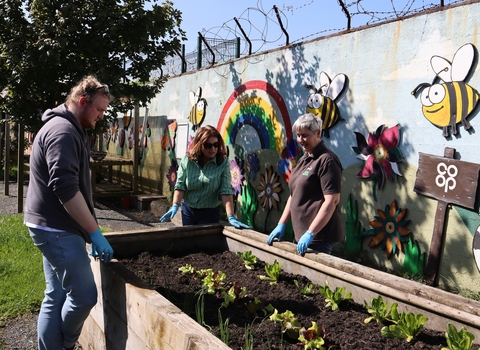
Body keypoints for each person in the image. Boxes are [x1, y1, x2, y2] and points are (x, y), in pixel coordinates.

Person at [24, 76, 114, 350]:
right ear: (82, 101)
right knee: (85, 295)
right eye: (98, 110)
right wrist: (94, 232)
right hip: (56, 229)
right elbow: (66, 190)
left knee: (57, 294)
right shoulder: (62, 132)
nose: (101, 116)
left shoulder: (69, 128)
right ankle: (66, 344)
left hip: (51, 225)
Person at [266, 113, 343, 255]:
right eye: (298, 135)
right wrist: (281, 224)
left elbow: (332, 201)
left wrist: (311, 232)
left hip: (318, 238)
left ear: (318, 133)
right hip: (301, 234)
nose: (301, 140)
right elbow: (294, 195)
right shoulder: (305, 158)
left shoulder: (326, 161)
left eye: (305, 135)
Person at [160, 125, 250, 229]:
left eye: (216, 145)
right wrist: (175, 204)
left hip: (210, 213)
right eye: (208, 145)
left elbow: (225, 190)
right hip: (188, 211)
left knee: (204, 243)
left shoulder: (223, 163)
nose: (213, 149)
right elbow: (180, 185)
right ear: (200, 145)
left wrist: (231, 216)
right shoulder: (188, 160)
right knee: (189, 241)